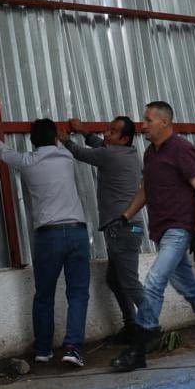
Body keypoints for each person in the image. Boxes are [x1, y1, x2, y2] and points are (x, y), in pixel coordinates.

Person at [108, 101, 195, 372]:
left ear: (165, 122)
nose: (143, 125)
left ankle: (140, 346)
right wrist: (125, 216)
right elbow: (145, 189)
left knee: (154, 281)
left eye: (148, 120)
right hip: (161, 230)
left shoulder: (183, 149)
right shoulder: (151, 154)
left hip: (179, 229)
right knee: (186, 285)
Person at [0, 117, 90, 368]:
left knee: (44, 295)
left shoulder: (27, 162)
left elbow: (1, 151)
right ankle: (72, 348)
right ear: (56, 139)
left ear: (32, 140)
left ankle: (43, 349)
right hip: (77, 231)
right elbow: (65, 145)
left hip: (49, 236)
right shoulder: (67, 158)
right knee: (78, 293)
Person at [60, 116, 144, 344]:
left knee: (129, 282)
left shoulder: (109, 155)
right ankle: (133, 326)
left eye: (113, 132)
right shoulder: (129, 152)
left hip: (122, 228)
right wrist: (85, 131)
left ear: (124, 139)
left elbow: (83, 154)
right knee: (116, 281)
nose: (107, 134)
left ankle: (152, 327)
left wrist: (66, 140)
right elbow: (99, 146)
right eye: (108, 129)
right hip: (128, 227)